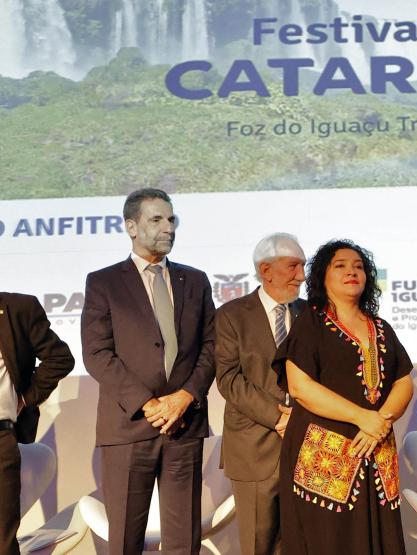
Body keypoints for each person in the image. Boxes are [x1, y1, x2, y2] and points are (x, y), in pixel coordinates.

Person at [81, 188, 216, 555]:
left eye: (171, 220)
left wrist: (184, 397)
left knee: (183, 539)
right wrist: (150, 404)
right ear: (131, 227)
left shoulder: (196, 280)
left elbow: (211, 347)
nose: (168, 228)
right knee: (125, 538)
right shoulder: (104, 282)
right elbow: (96, 353)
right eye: (156, 220)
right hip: (129, 426)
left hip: (184, 423)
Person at [274, 239, 414, 554]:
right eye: (340, 266)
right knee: (329, 541)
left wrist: (381, 419)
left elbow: (404, 380)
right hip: (326, 458)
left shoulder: (381, 328)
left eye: (359, 266)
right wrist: (363, 417)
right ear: (323, 277)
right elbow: (300, 387)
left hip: (376, 454)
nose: (352, 271)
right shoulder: (310, 322)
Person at [216, 233, 307, 555]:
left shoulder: (311, 314)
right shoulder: (231, 315)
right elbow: (228, 379)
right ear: (266, 271)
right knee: (260, 544)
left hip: (308, 446)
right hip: (253, 445)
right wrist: (279, 417)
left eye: (303, 266)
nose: (302, 276)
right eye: (294, 266)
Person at [0, 293, 74, 555]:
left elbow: (60, 358)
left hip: (1, 440)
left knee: (2, 539)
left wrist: (25, 398)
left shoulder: (18, 308)